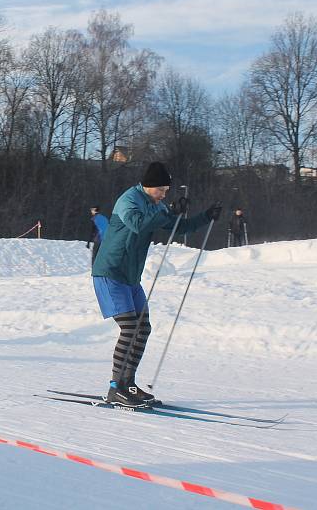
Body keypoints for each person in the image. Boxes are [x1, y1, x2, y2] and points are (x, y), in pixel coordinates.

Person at [92, 162, 222, 407]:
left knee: (143, 328)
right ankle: (115, 387)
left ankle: (128, 383)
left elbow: (177, 227)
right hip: (110, 272)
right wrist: (167, 210)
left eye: (166, 190)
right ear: (149, 186)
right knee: (130, 328)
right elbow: (138, 224)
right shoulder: (128, 201)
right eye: (161, 190)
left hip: (130, 276)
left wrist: (205, 216)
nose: (164, 194)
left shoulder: (155, 204)